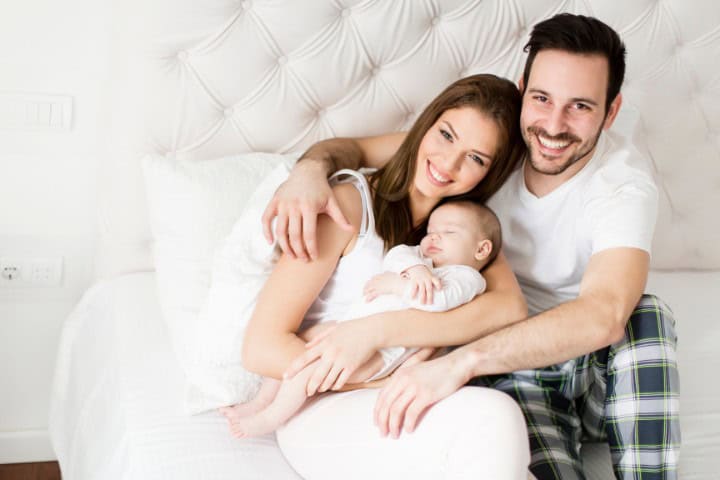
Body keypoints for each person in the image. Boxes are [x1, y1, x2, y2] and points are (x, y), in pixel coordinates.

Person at [267, 13, 680, 480]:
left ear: (611, 111)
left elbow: (605, 314)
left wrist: (460, 363)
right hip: (517, 365)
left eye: (580, 106)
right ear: (523, 89)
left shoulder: (622, 183)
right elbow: (358, 150)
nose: (554, 125)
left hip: (594, 366)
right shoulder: (487, 151)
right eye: (542, 99)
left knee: (648, 315)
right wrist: (308, 170)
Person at [242, 73, 532, 479]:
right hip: (317, 408)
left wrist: (377, 331)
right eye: (446, 135)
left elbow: (508, 308)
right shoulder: (348, 205)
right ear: (426, 125)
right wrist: (372, 375)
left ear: (490, 173)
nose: (449, 164)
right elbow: (259, 348)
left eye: (476, 158)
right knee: (494, 419)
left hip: (404, 397)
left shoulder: (461, 231)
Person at [222, 200, 501, 438]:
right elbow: (397, 254)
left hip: (382, 353)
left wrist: (398, 285)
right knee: (305, 342)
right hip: (349, 328)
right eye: (430, 232)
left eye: (448, 232)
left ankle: (270, 418)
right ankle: (261, 400)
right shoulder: (419, 260)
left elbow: (438, 302)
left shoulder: (467, 278)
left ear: (481, 250)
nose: (432, 238)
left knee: (313, 366)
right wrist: (414, 268)